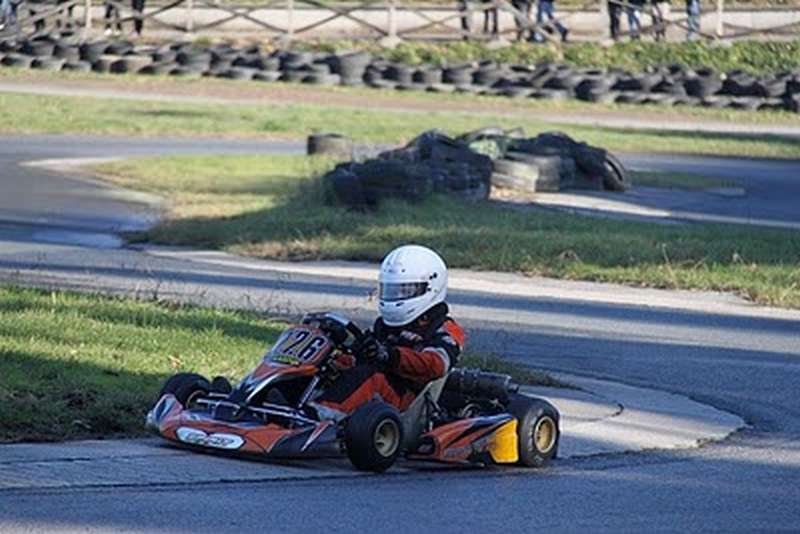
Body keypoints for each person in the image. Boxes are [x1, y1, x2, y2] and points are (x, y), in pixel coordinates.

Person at [314, 245, 465, 418]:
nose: (396, 295)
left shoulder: (444, 328)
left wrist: (390, 355)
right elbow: (363, 359)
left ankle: (317, 418)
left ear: (431, 287)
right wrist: (338, 357)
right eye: (391, 290)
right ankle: (282, 406)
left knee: (371, 376)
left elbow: (436, 365)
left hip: (408, 403)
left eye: (405, 290)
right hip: (376, 397)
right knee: (323, 368)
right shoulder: (385, 326)